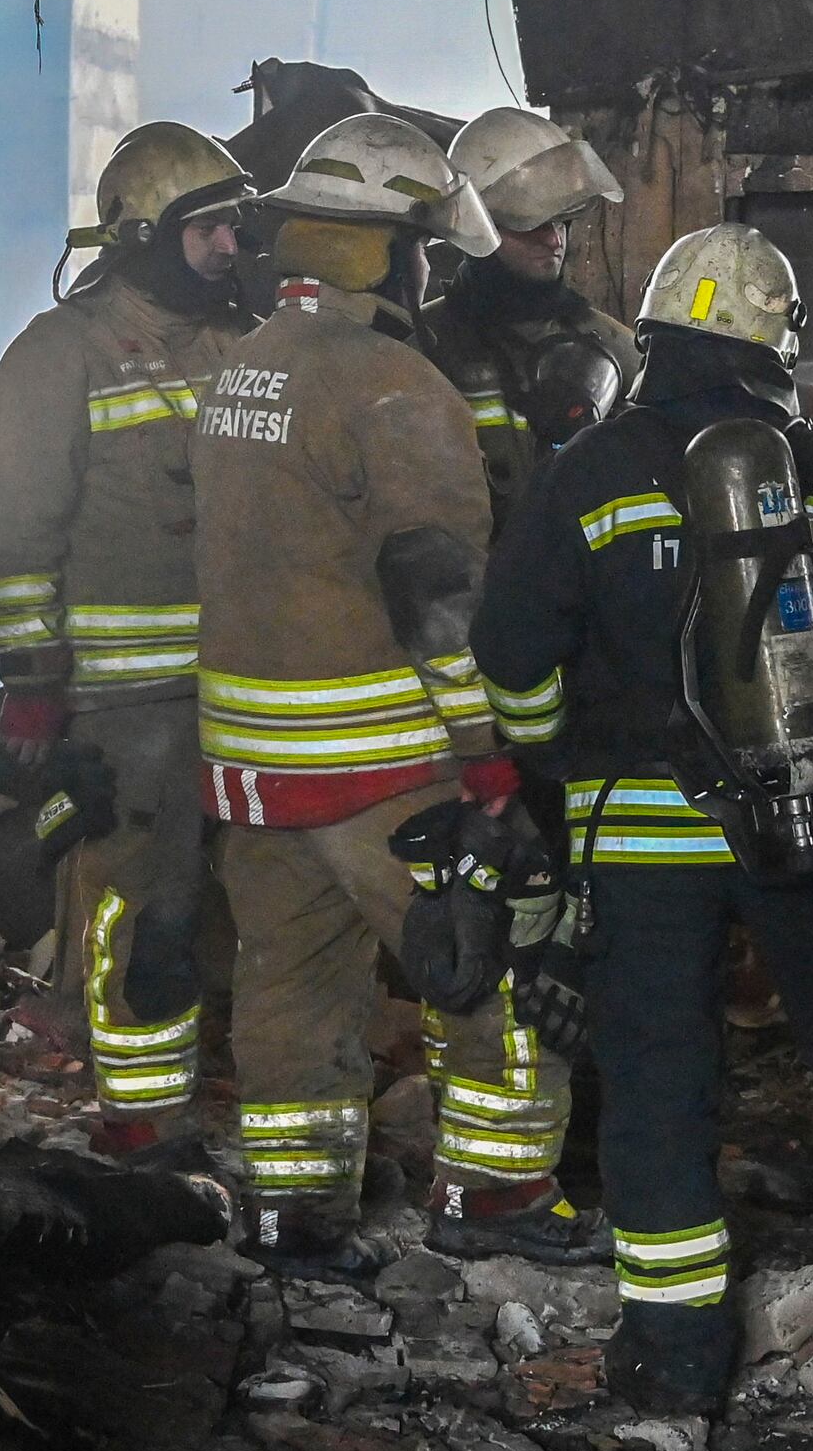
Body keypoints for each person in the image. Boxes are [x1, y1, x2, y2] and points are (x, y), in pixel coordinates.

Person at [475, 224, 813, 1415]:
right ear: (778, 349)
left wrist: (557, 763)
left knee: (657, 1084)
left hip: (637, 841)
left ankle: (670, 1360)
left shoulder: (590, 474)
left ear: (655, 337)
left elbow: (509, 650)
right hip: (803, 821)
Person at [187, 111, 591, 1264]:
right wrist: (491, 758)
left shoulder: (240, 370)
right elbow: (438, 595)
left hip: (251, 767)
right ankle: (497, 1198)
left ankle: (292, 1209)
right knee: (492, 966)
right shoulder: (393, 384)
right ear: (386, 249)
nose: (430, 271)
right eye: (423, 248)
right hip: (379, 761)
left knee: (290, 984)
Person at [0, 122, 250, 1158]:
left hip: (239, 690)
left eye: (232, 227)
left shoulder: (239, 347)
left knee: (230, 915)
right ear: (141, 235)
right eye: (207, 229)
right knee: (139, 916)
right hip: (124, 707)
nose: (229, 248)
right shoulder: (60, 355)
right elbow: (15, 536)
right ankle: (138, 1127)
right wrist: (33, 683)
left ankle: (212, 1105)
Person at [425, 106, 645, 534]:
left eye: (562, 219)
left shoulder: (617, 348)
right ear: (476, 225)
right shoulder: (422, 350)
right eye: (531, 223)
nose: (554, 239)